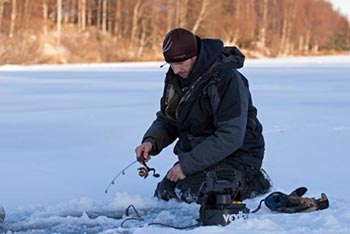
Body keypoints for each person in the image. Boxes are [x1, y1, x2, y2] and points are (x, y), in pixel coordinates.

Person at [135, 28, 271, 203]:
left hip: (239, 155)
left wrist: (186, 166)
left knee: (191, 192)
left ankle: (256, 181)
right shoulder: (177, 78)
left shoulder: (226, 79)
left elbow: (230, 135)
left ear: (195, 56)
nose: (175, 70)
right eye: (170, 64)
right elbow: (169, 118)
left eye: (180, 63)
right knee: (166, 193)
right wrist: (151, 141)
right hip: (203, 154)